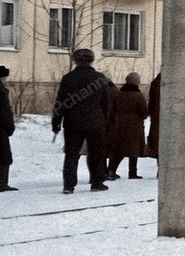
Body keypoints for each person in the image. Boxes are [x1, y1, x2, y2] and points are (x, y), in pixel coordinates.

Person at [52, 48, 112, 193]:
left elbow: (61, 101)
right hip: (95, 122)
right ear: (91, 60)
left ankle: (69, 185)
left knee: (72, 154)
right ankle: (97, 182)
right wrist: (104, 119)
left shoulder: (68, 78)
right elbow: (106, 102)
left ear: (75, 60)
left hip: (72, 122)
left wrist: (56, 122)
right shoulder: (99, 78)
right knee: (96, 153)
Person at [107, 72, 148, 180]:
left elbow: (113, 109)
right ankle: (132, 172)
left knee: (118, 149)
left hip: (119, 125)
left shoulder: (119, 94)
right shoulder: (139, 95)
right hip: (135, 126)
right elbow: (144, 113)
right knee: (133, 150)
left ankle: (111, 169)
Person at [0, 66, 15, 191]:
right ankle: (2, 183)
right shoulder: (1, 91)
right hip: (1, 129)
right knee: (5, 156)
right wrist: (10, 126)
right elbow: (5, 111)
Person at [145, 72, 161, 160]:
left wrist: (151, 114)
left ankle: (160, 166)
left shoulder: (155, 83)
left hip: (156, 116)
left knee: (157, 141)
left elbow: (152, 102)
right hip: (164, 116)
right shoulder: (175, 84)